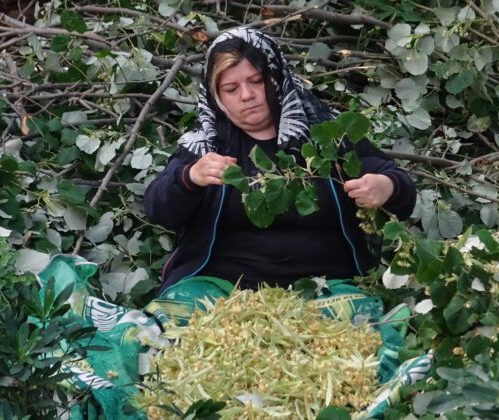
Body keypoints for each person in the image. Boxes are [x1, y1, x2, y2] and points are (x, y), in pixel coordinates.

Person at [144, 27, 416, 295]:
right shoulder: (207, 144)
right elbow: (159, 209)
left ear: (275, 77)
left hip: (324, 286)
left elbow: (399, 188)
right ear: (217, 97)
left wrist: (386, 187)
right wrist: (189, 178)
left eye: (256, 81)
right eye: (231, 88)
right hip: (220, 286)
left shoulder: (329, 133)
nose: (246, 96)